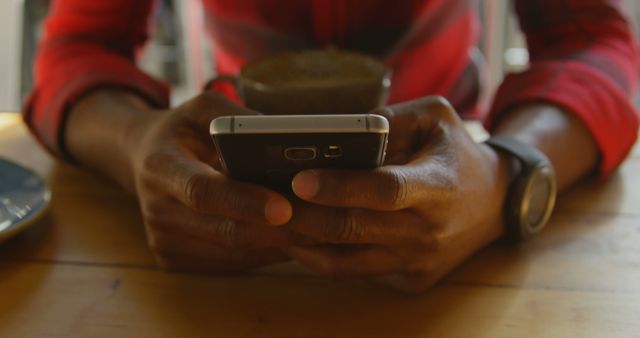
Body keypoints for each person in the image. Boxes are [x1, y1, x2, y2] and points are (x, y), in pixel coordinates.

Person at [23, 0, 639, 292]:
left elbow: (593, 42)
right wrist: (136, 147)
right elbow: (77, 49)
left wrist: (505, 175)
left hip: (462, 202)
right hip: (231, 229)